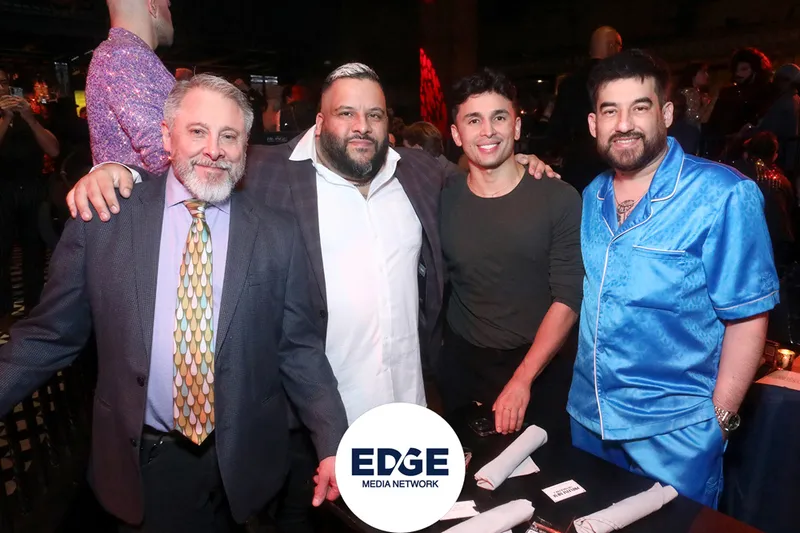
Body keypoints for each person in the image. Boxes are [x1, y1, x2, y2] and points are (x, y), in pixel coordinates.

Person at [63, 61, 556, 532]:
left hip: (407, 413)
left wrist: (520, 161)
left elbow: (481, 173)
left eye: (375, 114)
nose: (361, 125)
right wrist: (117, 172)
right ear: (320, 122)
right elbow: (197, 168)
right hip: (308, 424)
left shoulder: (420, 173)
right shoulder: (268, 172)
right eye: (346, 112)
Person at [0, 74, 346, 532]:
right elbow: (49, 335)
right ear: (167, 136)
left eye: (229, 136)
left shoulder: (277, 233)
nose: (214, 150)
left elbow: (299, 349)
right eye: (197, 131)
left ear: (245, 145)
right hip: (148, 462)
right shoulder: (106, 221)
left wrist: (332, 440)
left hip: (246, 459)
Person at [567, 49, 779, 509]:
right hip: (589, 422)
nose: (624, 123)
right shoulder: (590, 197)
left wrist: (720, 421)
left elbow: (748, 317)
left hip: (675, 436)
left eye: (639, 107)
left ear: (665, 114)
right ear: (593, 124)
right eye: (610, 111)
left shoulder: (723, 194)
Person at [438, 69, 583, 437]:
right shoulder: (442, 197)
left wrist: (523, 379)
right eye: (474, 120)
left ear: (516, 127)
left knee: (542, 469)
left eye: (499, 117)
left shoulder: (558, 198)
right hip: (461, 368)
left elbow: (568, 298)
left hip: (539, 367)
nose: (487, 131)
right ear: (456, 134)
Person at [0, 69, 60, 329]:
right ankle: (4, 312)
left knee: (34, 251)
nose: (1, 88)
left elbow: (54, 150)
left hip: (33, 188)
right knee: (1, 251)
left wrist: (29, 118)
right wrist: (5, 118)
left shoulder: (30, 116)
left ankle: (33, 307)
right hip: (2, 190)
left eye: (3, 83)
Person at [86, 0, 175, 173]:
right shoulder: (125, 56)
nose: (170, 7)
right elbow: (164, 155)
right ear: (153, 5)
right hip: (149, 190)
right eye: (167, 3)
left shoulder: (119, 53)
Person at [547, 26, 621, 193]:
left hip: (576, 167)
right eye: (619, 46)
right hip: (611, 165)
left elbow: (556, 130)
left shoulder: (569, 83)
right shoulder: (617, 80)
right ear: (612, 46)